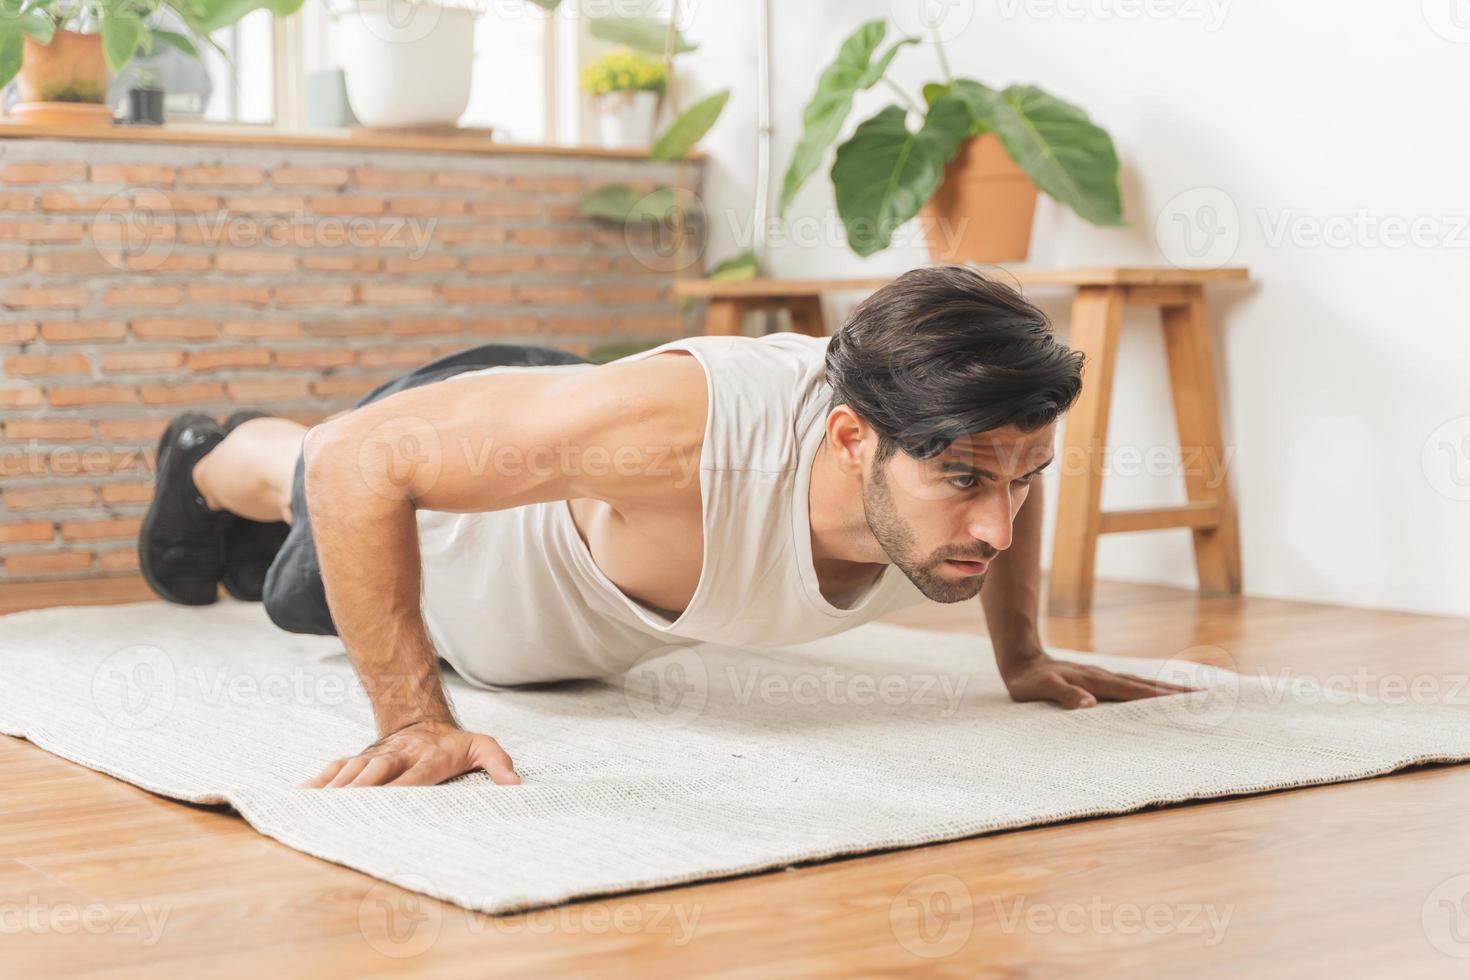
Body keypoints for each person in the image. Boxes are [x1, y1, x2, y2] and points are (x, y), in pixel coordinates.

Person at [138, 265, 1194, 789]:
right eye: (964, 476)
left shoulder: (967, 442)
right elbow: (370, 462)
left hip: (582, 511)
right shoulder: (690, 433)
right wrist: (414, 717)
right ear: (847, 438)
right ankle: (203, 452)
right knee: (307, 492)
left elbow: (1007, 460)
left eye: (1022, 477)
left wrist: (1023, 653)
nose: (997, 522)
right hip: (467, 535)